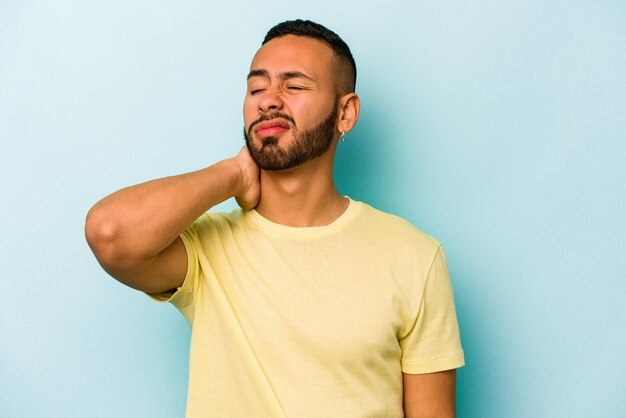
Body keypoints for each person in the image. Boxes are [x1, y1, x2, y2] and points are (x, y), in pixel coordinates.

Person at [85, 19, 465, 418]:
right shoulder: (207, 251)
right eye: (256, 87)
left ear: (346, 113)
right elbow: (109, 233)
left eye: (294, 85)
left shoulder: (414, 256)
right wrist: (232, 173)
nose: (269, 100)